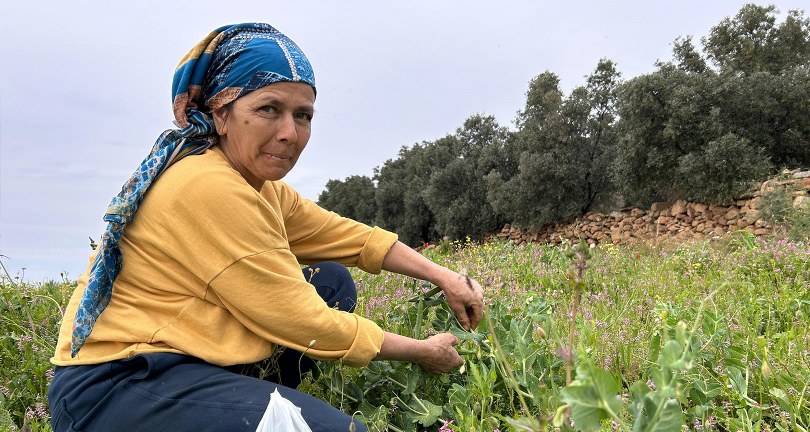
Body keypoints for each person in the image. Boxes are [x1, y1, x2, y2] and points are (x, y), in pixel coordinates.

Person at [47, 23, 484, 432]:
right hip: (116, 386)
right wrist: (422, 351)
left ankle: (243, 399)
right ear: (221, 113)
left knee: (330, 280)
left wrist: (445, 276)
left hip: (186, 358)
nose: (289, 132)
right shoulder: (208, 186)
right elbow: (304, 321)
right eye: (268, 109)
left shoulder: (258, 185)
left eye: (303, 115)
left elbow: (350, 238)